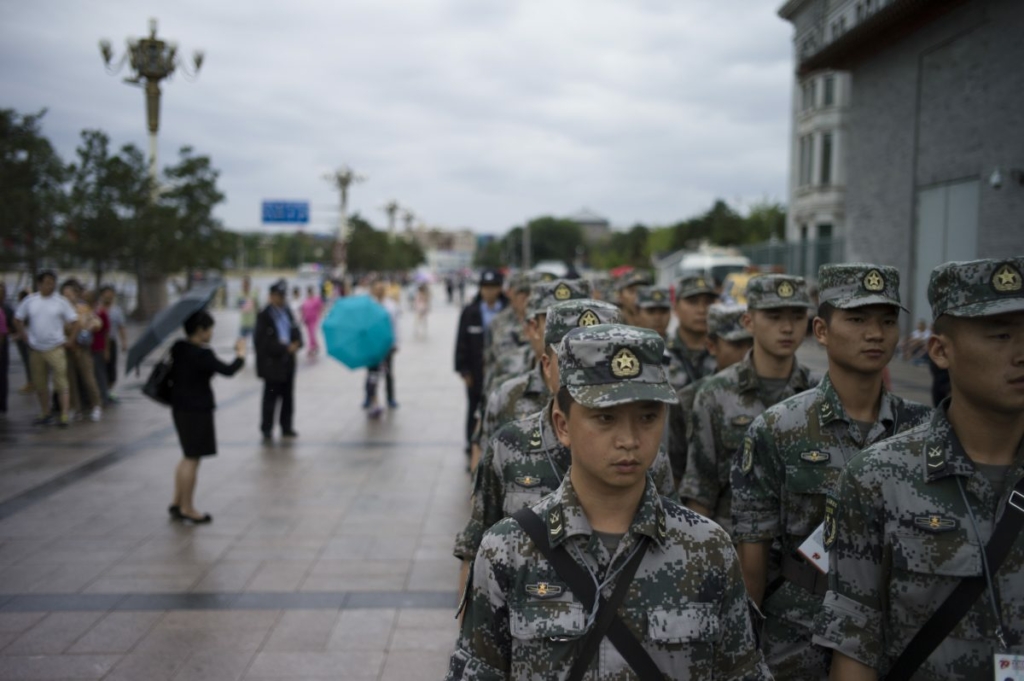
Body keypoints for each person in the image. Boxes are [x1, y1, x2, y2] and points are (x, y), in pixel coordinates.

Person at [447, 323, 771, 679]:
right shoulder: (507, 551)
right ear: (563, 425)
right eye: (605, 418)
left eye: (648, 417)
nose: (629, 439)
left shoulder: (708, 549)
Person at [814, 258, 1024, 681]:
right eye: (1000, 335)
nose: (1020, 353)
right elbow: (856, 644)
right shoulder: (879, 477)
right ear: (940, 350)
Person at [731, 264, 932, 680]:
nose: (875, 334)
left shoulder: (925, 431)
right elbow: (753, 559)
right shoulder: (779, 428)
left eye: (887, 321)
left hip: (905, 632)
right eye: (857, 320)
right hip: (800, 637)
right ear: (821, 330)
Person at [681, 274, 818, 531]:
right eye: (774, 317)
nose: (787, 328)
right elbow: (700, 490)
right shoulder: (715, 394)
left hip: (802, 552)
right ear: (749, 321)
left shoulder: (820, 392)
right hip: (734, 543)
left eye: (797, 317)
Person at [168, 310, 246, 524]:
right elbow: (229, 370)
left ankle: (177, 502)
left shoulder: (179, 348)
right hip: (197, 410)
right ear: (201, 330)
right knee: (193, 458)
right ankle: (188, 508)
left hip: (180, 408)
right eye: (210, 328)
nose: (212, 332)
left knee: (187, 456)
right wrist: (241, 353)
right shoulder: (202, 354)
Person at [667, 302, 754, 487]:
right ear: (711, 346)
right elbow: (675, 475)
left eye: (752, 343)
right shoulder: (689, 400)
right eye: (737, 344)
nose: (747, 353)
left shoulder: (788, 395)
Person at [455, 269, 508, 463]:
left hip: (503, 373)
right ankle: (471, 445)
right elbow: (461, 342)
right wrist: (463, 370)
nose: (489, 292)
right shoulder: (471, 312)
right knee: (473, 408)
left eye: (493, 287)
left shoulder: (507, 310)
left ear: (500, 288)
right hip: (476, 372)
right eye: (485, 287)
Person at [13, 271, 78, 426]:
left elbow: (75, 321)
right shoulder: (30, 301)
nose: (51, 285)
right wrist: (24, 335)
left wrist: (70, 340)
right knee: (40, 382)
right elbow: (17, 319)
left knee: (61, 381)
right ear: (39, 284)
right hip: (36, 348)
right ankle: (45, 412)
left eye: (53, 282)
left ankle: (64, 414)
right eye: (47, 282)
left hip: (56, 347)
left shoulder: (61, 301)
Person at [255, 279, 302, 442]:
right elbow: (262, 342)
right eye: (278, 296)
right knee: (270, 397)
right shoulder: (264, 315)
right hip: (272, 364)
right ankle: (267, 428)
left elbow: (296, 330)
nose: (281, 299)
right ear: (271, 296)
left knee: (288, 397)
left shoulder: (287, 312)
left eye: (283, 296)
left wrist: (297, 343)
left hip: (288, 362)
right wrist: (284, 348)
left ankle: (286, 426)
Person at [665, 274, 720, 392]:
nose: (702, 310)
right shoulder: (661, 352)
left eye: (708, 302)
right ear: (675, 307)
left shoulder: (725, 351)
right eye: (693, 302)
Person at [61, 280, 103, 422]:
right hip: (66, 348)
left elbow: (97, 322)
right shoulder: (60, 309)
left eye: (69, 294)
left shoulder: (83, 308)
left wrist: (89, 327)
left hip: (82, 348)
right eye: (64, 294)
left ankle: (96, 405)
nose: (67, 297)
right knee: (70, 380)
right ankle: (75, 408)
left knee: (88, 378)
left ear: (76, 295)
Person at [364, 280, 400, 416]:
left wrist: (396, 343)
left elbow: (396, 325)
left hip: (386, 345)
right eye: (376, 289)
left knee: (388, 372)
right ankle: (369, 397)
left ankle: (390, 398)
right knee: (371, 373)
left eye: (381, 289)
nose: (379, 291)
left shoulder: (391, 306)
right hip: (372, 345)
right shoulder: (369, 306)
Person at [98, 286, 127, 401]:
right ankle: (102, 390)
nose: (108, 297)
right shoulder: (97, 309)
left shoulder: (116, 310)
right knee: (100, 367)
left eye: (111, 295)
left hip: (111, 341)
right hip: (99, 342)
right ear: (102, 295)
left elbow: (121, 327)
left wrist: (124, 342)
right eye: (106, 294)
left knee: (111, 367)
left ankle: (108, 390)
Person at [14, 289, 33, 393]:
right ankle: (32, 382)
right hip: (28, 338)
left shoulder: (26, 308)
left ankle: (31, 383)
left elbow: (21, 323)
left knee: (28, 361)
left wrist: (20, 334)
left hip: (27, 339)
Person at [300, 285, 323, 357]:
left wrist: (320, 314)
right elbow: (303, 310)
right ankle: (314, 346)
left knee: (312, 333)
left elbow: (321, 307)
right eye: (309, 292)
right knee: (309, 334)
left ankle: (312, 347)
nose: (310, 293)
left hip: (314, 319)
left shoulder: (316, 299)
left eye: (311, 292)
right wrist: (302, 318)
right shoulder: (305, 300)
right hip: (307, 320)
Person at [0, 282, 12, 414]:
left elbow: (4, 332)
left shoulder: (6, 309)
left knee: (2, 377)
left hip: (3, 348)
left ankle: (2, 405)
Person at [237, 275, 259, 342]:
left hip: (253, 322)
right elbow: (241, 306)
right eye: (243, 284)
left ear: (249, 284)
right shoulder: (239, 294)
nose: (244, 286)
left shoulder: (254, 293)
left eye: (245, 284)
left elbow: (257, 306)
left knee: (256, 341)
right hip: (244, 322)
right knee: (241, 342)